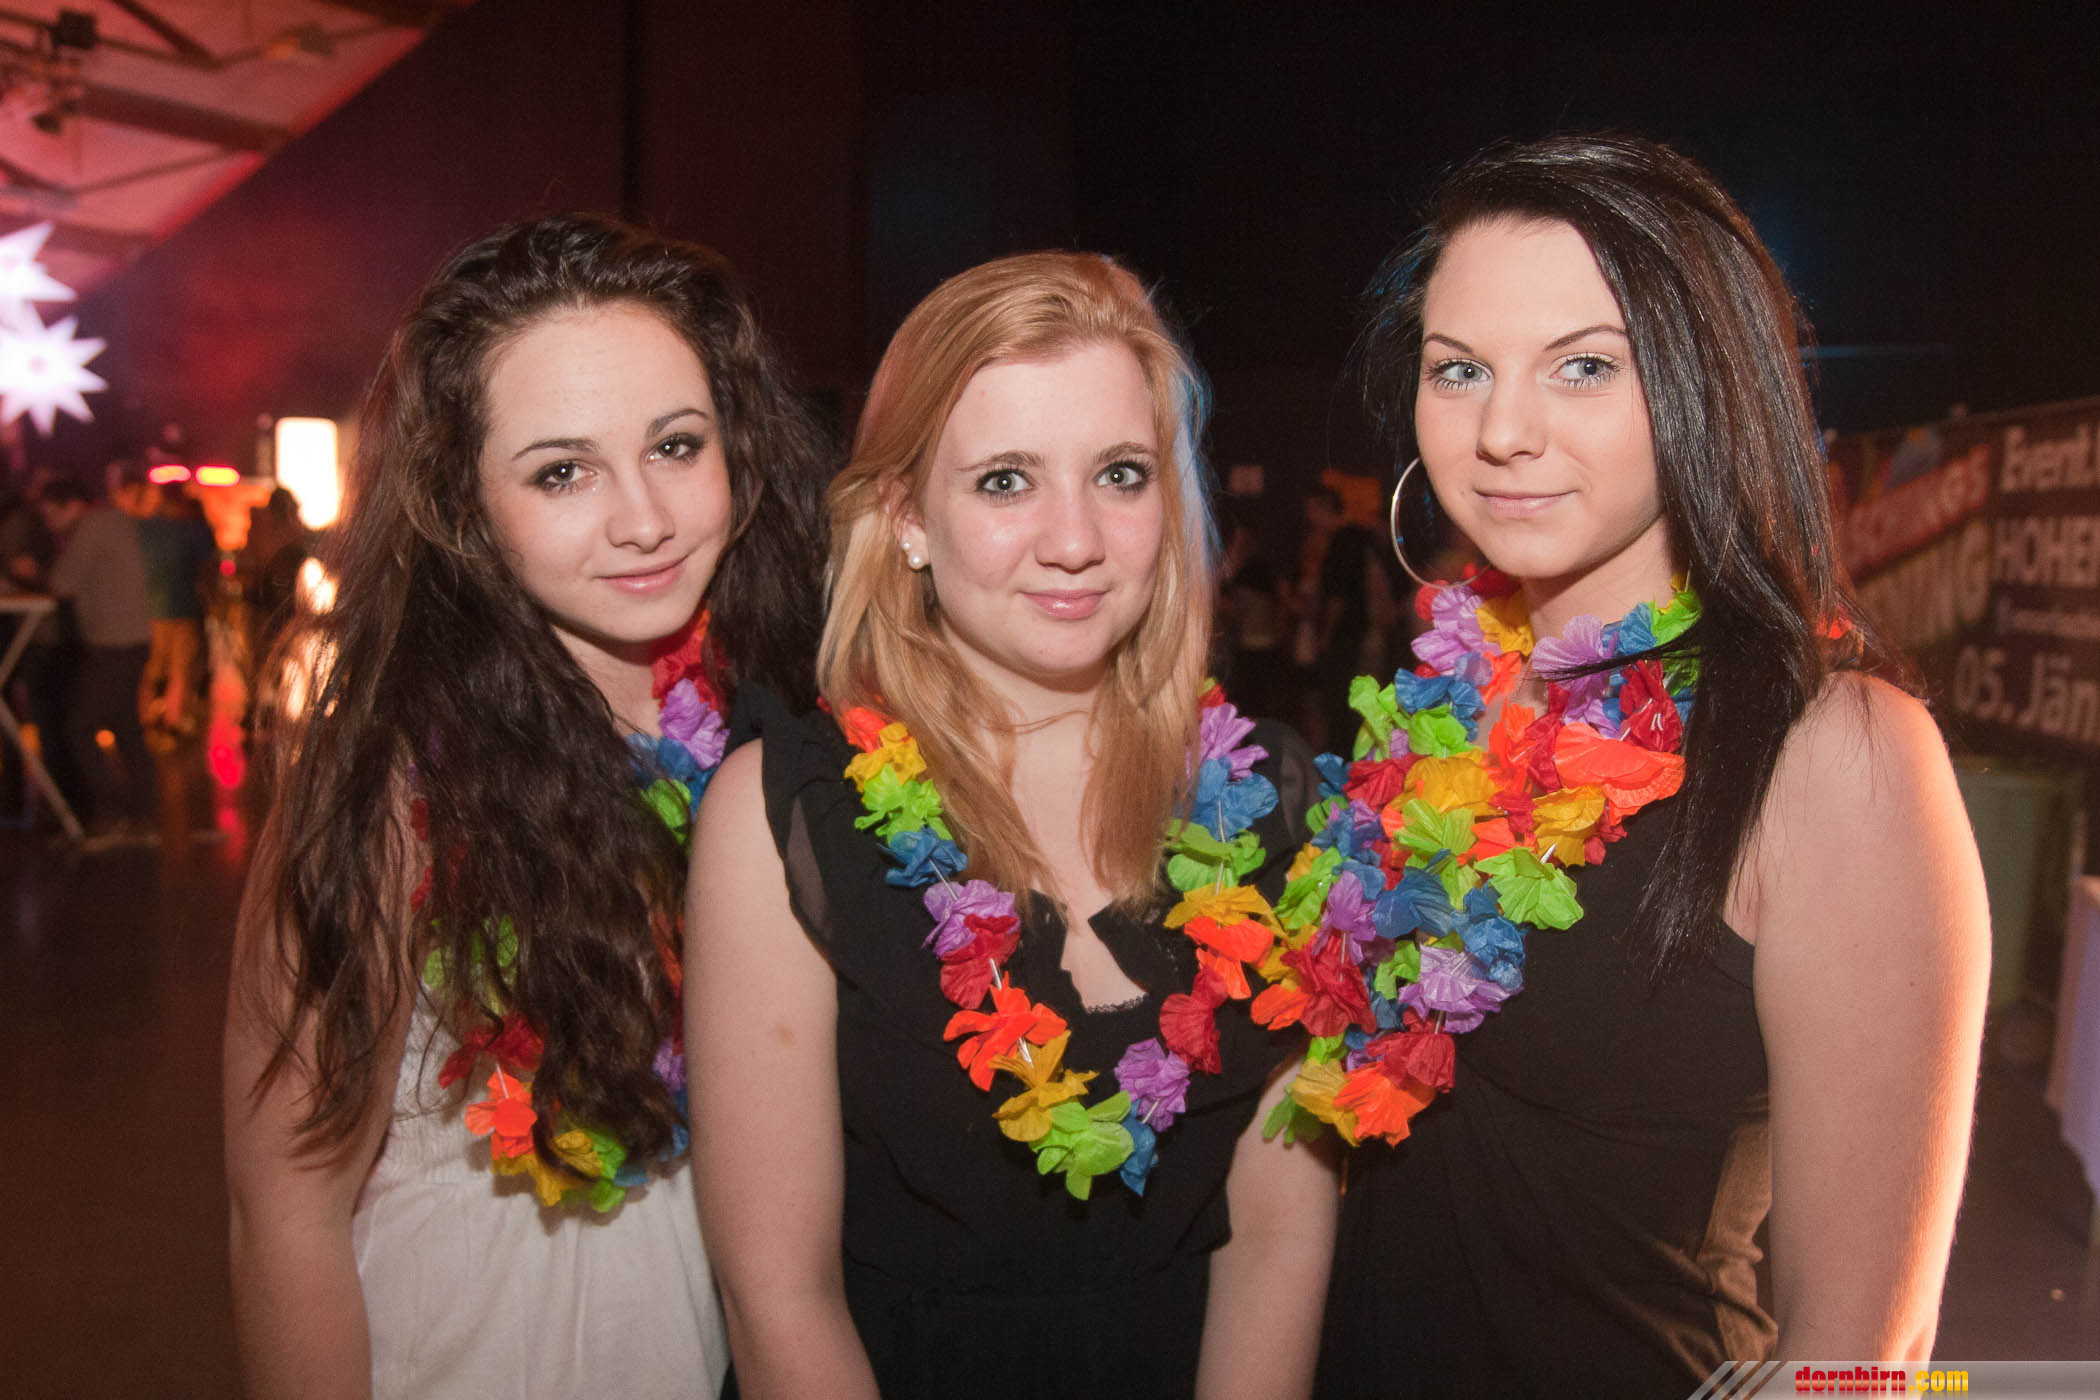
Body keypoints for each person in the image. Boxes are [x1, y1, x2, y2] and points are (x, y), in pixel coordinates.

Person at [1304, 135, 1990, 1398]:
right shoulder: (1436, 707)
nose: (1502, 430)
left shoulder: (1835, 752)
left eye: (1583, 365)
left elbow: (1866, 1355)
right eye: (1460, 368)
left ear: (1702, 382)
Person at [688, 251, 1338, 1399]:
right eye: (1005, 481)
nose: (1074, 539)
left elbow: (1279, 1234)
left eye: (1120, 473)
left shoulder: (1271, 803)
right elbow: (776, 1293)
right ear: (906, 517)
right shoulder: (786, 819)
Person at [222, 213, 831, 1400]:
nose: (643, 517)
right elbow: (286, 1208)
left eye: (676, 445)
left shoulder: (787, 721)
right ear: (464, 501)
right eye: (562, 471)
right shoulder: (396, 776)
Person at [39, 470, 156, 841]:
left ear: (72, 506)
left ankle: (109, 815)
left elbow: (62, 582)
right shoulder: (113, 521)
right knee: (126, 729)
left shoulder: (92, 528)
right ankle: (144, 819)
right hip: (132, 639)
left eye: (51, 515)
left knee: (79, 726)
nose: (49, 524)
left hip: (114, 645)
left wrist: (33, 572)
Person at [116, 475, 217, 741]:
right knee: (180, 670)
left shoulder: (140, 529)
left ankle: (144, 718)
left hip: (147, 611)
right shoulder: (190, 530)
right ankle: (173, 719)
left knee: (148, 669)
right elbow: (209, 566)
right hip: (183, 608)